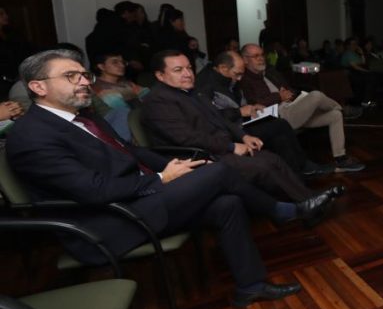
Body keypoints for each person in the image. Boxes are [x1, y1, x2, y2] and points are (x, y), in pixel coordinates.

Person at [5, 49, 326, 306]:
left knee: (226, 202)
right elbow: (93, 191)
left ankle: (251, 286)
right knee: (219, 170)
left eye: (84, 74)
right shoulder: (32, 136)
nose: (84, 82)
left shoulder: (84, 117)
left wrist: (174, 164)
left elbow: (129, 152)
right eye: (70, 75)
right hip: (104, 225)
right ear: (38, 87)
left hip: (136, 200)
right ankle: (281, 211)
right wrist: (161, 178)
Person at [141, 50, 339, 206]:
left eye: (189, 68)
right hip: (197, 157)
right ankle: (303, 204)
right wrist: (230, 146)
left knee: (272, 158)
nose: (187, 74)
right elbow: (186, 138)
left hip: (216, 147)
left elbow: (220, 118)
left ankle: (309, 199)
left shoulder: (192, 93)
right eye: (178, 70)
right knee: (262, 165)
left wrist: (243, 137)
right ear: (160, 75)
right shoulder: (158, 100)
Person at [195, 50, 333, 177]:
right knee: (280, 125)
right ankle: (301, 169)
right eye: (237, 74)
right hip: (231, 131)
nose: (239, 78)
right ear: (223, 68)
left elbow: (238, 102)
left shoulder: (227, 79)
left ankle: (297, 172)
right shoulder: (206, 84)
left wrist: (251, 107)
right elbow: (210, 116)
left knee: (279, 133)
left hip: (241, 123)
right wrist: (239, 111)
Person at [238, 44, 365, 172]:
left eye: (261, 54)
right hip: (281, 117)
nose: (261, 58)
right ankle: (344, 109)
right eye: (256, 56)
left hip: (294, 107)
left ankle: (341, 158)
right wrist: (279, 97)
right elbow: (255, 104)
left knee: (335, 115)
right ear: (245, 59)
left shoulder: (270, 71)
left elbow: (289, 88)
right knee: (316, 96)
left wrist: (290, 94)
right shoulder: (244, 79)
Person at [90, 52, 149, 140]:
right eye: (115, 62)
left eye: (123, 62)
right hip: (120, 129)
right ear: (101, 66)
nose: (121, 65)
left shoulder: (127, 83)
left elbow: (149, 96)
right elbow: (122, 111)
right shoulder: (99, 87)